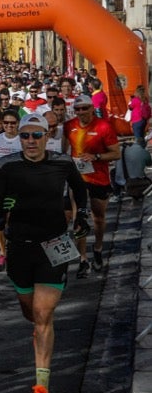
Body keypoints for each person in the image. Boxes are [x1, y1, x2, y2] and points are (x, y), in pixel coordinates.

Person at [0, 115, 89, 393]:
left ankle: (41, 390)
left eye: (36, 136)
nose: (30, 142)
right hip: (20, 248)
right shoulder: (8, 166)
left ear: (47, 136)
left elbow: (80, 190)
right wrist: (3, 207)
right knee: (31, 313)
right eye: (25, 137)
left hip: (54, 246)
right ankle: (41, 334)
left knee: (43, 315)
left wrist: (81, 214)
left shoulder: (62, 162)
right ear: (18, 139)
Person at [64, 93, 121, 276]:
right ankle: (83, 259)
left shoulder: (104, 126)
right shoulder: (69, 126)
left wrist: (96, 157)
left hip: (99, 178)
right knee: (78, 217)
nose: (81, 112)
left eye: (85, 108)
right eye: (77, 109)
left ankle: (97, 248)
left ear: (91, 108)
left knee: (98, 217)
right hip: (78, 179)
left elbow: (116, 154)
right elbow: (65, 150)